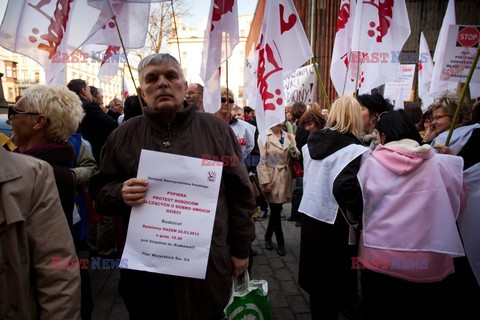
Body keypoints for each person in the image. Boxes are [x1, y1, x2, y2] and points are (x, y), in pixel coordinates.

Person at [89, 53, 255, 319]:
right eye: (152, 79)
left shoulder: (216, 130)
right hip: (147, 272)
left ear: (183, 84)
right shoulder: (124, 134)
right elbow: (99, 191)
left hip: (207, 267)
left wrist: (240, 251)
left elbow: (241, 196)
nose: (163, 84)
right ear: (142, 92)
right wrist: (119, 193)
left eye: (171, 76)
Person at [357, 110, 466, 319]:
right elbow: (459, 204)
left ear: (383, 136)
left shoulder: (368, 163)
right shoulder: (443, 163)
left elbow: (359, 203)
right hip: (427, 261)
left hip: (377, 258)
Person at [298, 96, 368, 319]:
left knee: (317, 278)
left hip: (311, 214)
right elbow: (344, 186)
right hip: (336, 222)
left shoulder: (310, 144)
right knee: (335, 277)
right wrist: (360, 210)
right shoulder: (355, 150)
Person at [0, 146, 81, 319]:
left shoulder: (34, 172)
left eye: (15, 116)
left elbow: (57, 267)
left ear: (39, 122)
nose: (11, 123)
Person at [257, 123, 300, 256]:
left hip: (285, 177)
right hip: (272, 177)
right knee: (275, 210)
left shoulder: (288, 135)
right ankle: (280, 241)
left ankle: (268, 235)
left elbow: (297, 155)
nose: (281, 121)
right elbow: (261, 160)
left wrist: (294, 151)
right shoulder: (264, 136)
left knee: (277, 210)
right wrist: (265, 181)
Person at [68, 79, 118, 163]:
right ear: (84, 91)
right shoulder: (89, 106)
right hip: (93, 152)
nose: (90, 94)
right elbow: (111, 124)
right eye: (89, 91)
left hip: (75, 150)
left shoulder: (69, 106)